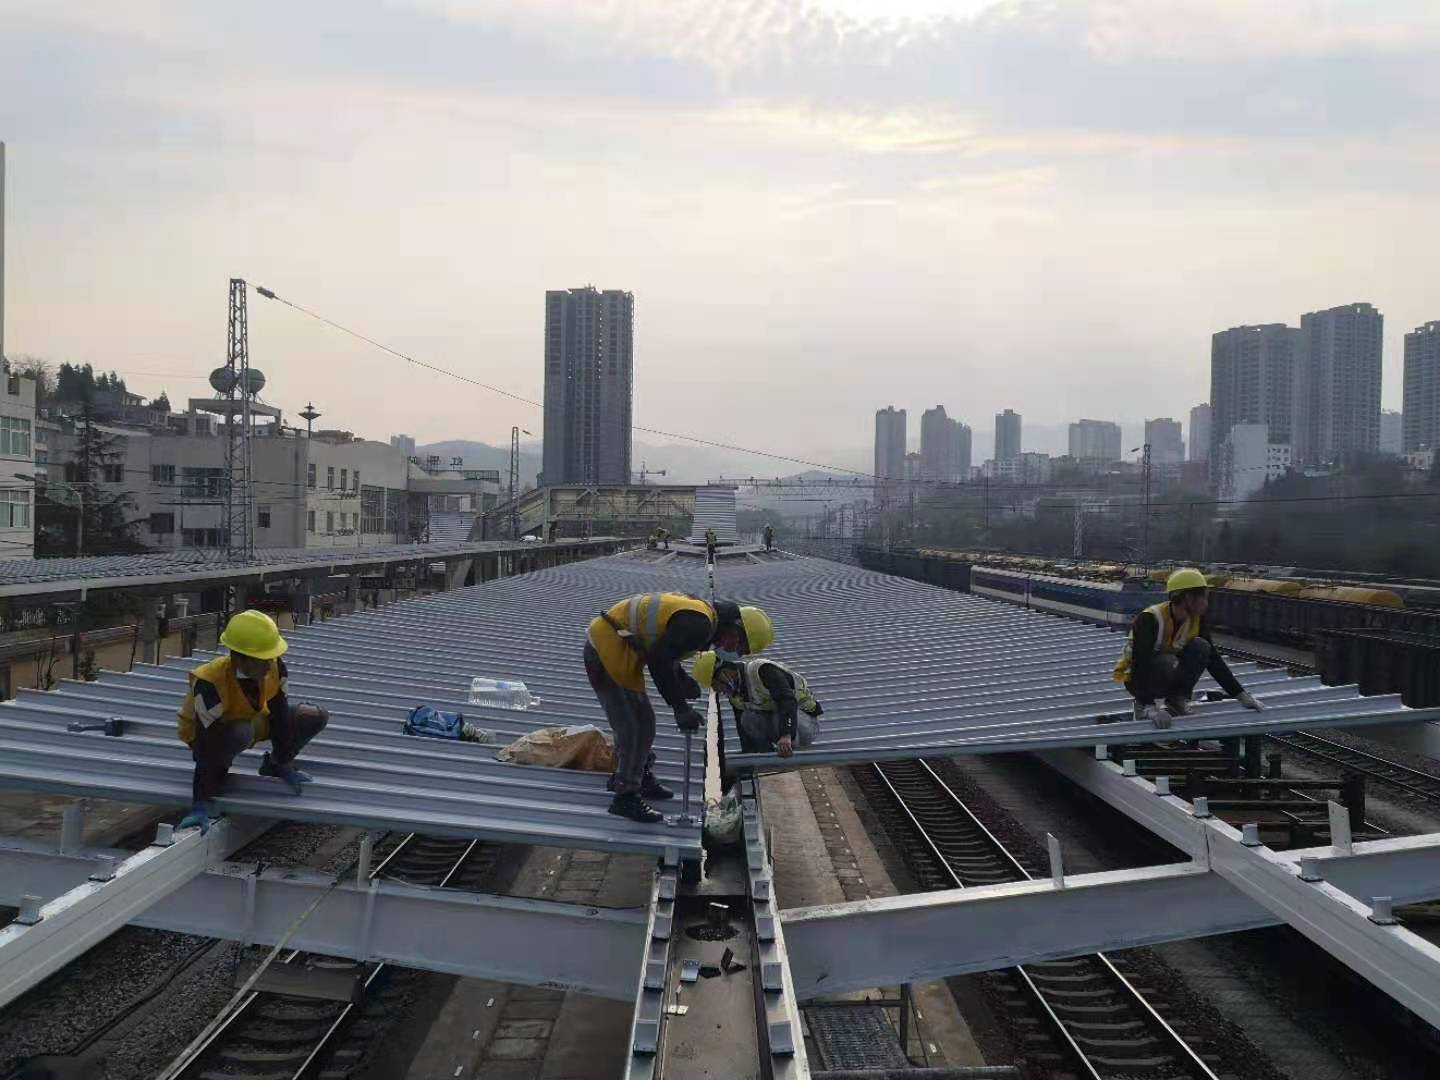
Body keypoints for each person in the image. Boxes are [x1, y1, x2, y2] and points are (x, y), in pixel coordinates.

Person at [586, 593, 774, 822]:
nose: (735, 652)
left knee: (643, 722)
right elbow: (658, 659)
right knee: (634, 726)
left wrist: (683, 681)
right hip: (606, 650)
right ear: (735, 628)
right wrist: (680, 708)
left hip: (616, 647)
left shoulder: (704, 620)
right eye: (740, 645)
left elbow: (667, 651)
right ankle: (625, 796)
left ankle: (638, 776)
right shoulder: (699, 625)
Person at [175, 610, 330, 832]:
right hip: (209, 733)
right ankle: (221, 772)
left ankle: (272, 764)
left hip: (251, 719)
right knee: (241, 732)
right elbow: (205, 745)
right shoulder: (210, 683)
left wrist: (283, 762)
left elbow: (280, 716)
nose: (269, 666)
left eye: (270, 658)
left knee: (313, 716)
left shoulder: (274, 667)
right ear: (239, 659)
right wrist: (200, 801)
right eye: (262, 660)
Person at [1113, 568, 1263, 728]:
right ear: (1186, 598)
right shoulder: (1150, 619)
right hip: (1137, 679)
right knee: (1167, 661)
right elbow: (1140, 662)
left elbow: (1213, 660)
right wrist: (1148, 704)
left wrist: (1240, 694)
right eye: (1202, 597)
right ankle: (1142, 706)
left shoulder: (1196, 620)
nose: (1206, 602)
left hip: (1164, 674)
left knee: (1201, 647)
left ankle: (1177, 699)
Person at [693, 650, 821, 775]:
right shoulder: (735, 695)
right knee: (747, 718)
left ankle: (789, 754)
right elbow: (742, 728)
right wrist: (747, 760)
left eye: (715, 685)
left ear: (724, 674)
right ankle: (767, 759)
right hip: (781, 726)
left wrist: (786, 735)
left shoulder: (761, 670)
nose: (717, 690)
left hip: (804, 724)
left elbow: (787, 701)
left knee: (779, 712)